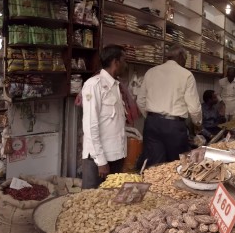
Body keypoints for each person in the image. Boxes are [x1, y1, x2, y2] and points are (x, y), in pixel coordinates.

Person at [136, 45, 202, 166]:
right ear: (181, 57)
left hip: (152, 125)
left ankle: (154, 184)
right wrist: (197, 123)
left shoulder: (151, 72)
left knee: (154, 166)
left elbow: (140, 100)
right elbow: (194, 107)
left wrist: (152, 118)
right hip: (174, 127)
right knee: (176, 164)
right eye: (185, 59)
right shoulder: (186, 75)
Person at [80, 45, 128, 189]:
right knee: (91, 203)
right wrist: (101, 161)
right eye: (124, 60)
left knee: (110, 204)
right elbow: (90, 126)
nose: (126, 65)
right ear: (116, 62)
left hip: (116, 155)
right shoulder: (94, 85)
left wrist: (122, 155)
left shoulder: (116, 86)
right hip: (98, 159)